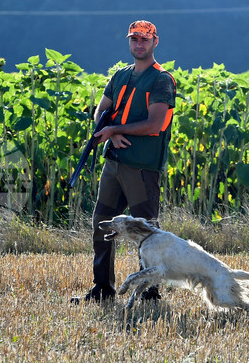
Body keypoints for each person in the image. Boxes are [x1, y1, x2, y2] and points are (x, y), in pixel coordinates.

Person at [70, 20, 177, 304]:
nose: (138, 44)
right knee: (102, 225)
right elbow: (101, 112)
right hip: (114, 163)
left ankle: (150, 292)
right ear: (129, 43)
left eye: (144, 39)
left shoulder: (161, 79)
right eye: (134, 39)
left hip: (142, 167)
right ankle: (102, 289)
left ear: (155, 42)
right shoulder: (119, 75)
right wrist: (108, 133)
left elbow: (154, 124)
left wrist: (115, 130)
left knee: (146, 231)